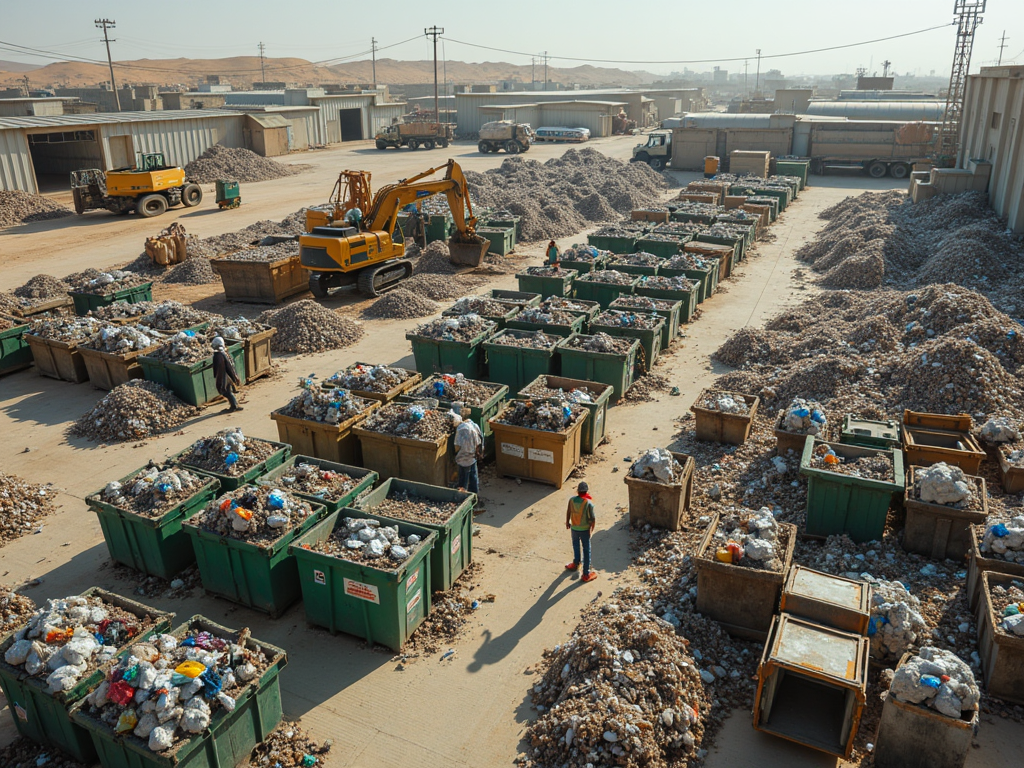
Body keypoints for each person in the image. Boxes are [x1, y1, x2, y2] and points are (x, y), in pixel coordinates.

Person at [565, 482, 597, 582]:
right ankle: (586, 574)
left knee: (575, 545)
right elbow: (592, 518)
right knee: (587, 550)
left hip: (574, 528)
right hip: (584, 530)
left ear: (578, 491)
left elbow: (568, 511)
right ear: (586, 491)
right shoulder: (588, 503)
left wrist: (567, 522)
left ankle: (576, 563)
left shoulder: (572, 500)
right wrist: (591, 529)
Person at [453, 406, 483, 510]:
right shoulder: (474, 425)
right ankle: (475, 500)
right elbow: (480, 440)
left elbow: (457, 446)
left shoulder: (461, 429)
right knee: (474, 478)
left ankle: (463, 504)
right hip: (473, 457)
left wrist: (454, 454)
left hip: (463, 459)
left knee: (463, 481)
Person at [211, 336, 243, 413]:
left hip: (224, 376)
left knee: (226, 392)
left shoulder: (219, 356)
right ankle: (234, 405)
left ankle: (234, 406)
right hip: (225, 376)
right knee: (227, 391)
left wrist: (233, 377)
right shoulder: (221, 354)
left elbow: (225, 367)